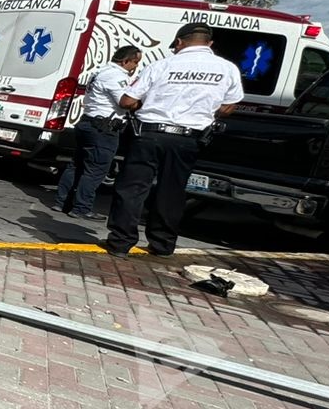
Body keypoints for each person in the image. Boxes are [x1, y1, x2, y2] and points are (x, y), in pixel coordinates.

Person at [103, 23, 243, 256]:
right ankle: (162, 244)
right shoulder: (227, 68)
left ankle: (120, 242)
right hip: (188, 138)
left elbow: (127, 101)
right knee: (172, 191)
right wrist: (205, 110)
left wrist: (145, 104)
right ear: (209, 43)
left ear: (179, 42)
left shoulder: (161, 65)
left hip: (149, 134)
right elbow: (230, 105)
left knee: (132, 189)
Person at [53, 44, 142, 218]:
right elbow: (125, 102)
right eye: (135, 62)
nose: (136, 66)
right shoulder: (116, 76)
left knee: (77, 164)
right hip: (103, 127)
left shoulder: (100, 71)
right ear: (125, 61)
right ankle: (81, 208)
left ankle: (61, 202)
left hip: (87, 122)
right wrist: (139, 101)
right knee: (96, 169)